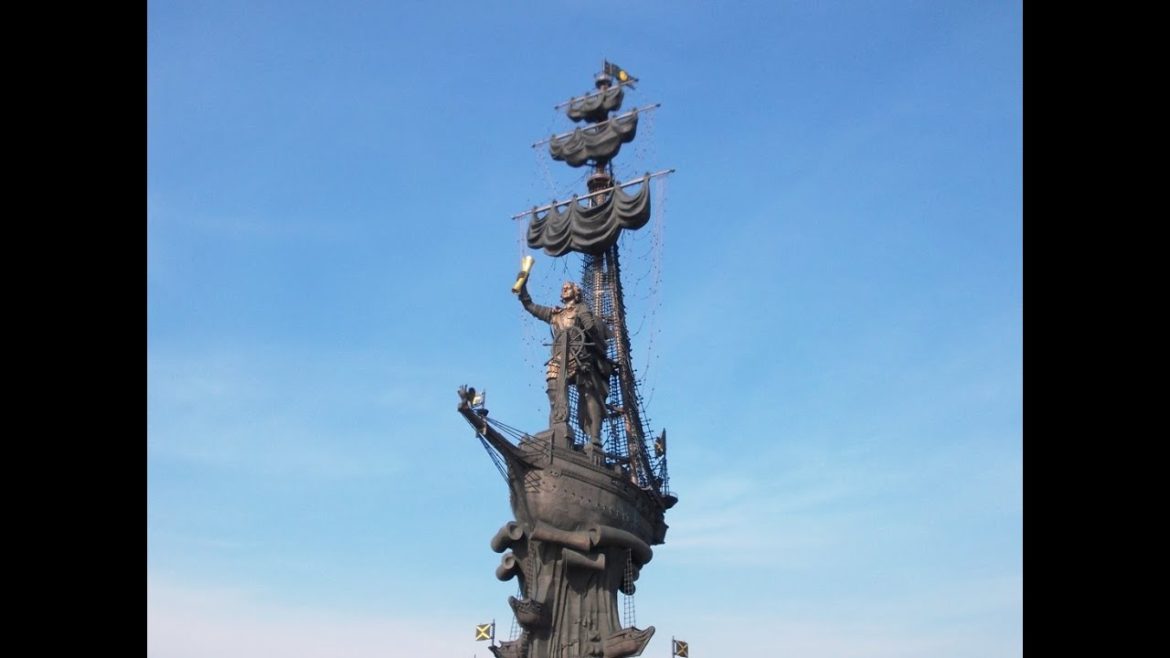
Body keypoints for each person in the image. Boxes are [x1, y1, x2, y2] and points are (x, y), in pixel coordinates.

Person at [517, 280, 613, 446]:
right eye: (563, 288)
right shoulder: (555, 314)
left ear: (575, 293)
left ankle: (595, 438)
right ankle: (557, 429)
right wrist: (522, 287)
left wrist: (587, 319)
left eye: (568, 288)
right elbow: (530, 306)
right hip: (559, 357)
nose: (564, 289)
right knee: (553, 392)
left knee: (588, 394)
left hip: (579, 357)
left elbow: (591, 329)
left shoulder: (581, 309)